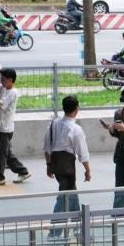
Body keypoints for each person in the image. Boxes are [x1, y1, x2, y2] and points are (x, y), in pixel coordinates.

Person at [43, 96, 91, 233]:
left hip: (56, 164)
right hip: (68, 166)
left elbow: (46, 147)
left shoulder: (53, 124)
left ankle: (78, 228)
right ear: (77, 109)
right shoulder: (75, 129)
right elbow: (83, 153)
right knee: (64, 197)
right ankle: (56, 231)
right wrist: (88, 170)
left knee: (71, 193)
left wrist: (48, 165)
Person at [0, 68, 31, 186]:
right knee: (7, 154)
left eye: (3, 79)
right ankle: (23, 172)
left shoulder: (13, 93)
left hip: (5, 129)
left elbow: (2, 106)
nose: (1, 82)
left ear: (10, 80)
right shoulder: (5, 87)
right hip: (0, 127)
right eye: (0, 79)